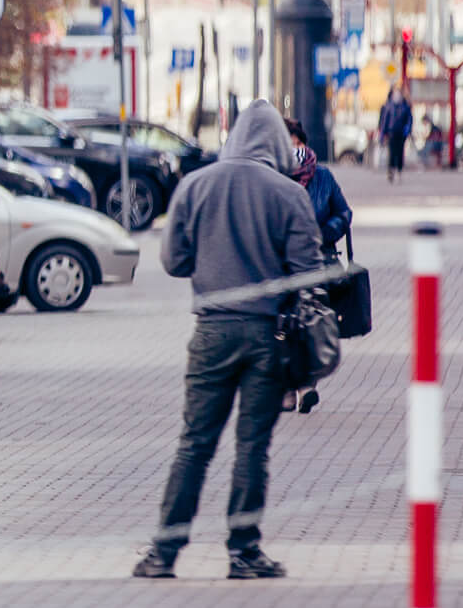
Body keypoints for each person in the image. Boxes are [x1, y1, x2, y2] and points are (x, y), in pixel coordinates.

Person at [134, 103, 323, 581]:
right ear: (277, 145)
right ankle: (244, 552)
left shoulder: (197, 184)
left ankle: (163, 553)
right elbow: (307, 273)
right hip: (267, 336)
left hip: (211, 332)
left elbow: (174, 261)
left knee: (194, 445)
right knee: (252, 447)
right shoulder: (288, 194)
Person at [282, 117, 352, 416]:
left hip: (317, 260)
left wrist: (327, 232)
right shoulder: (274, 176)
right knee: (283, 326)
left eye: (296, 142)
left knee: (310, 322)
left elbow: (344, 212)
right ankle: (287, 388)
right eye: (287, 143)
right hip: (281, 264)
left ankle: (307, 386)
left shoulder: (322, 177)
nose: (293, 148)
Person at [379, 90, 413, 182]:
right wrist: (382, 134)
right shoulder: (389, 107)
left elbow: (409, 120)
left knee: (400, 153)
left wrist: (407, 131)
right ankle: (391, 171)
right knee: (392, 153)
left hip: (401, 135)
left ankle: (399, 170)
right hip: (391, 134)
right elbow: (385, 121)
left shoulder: (405, 107)